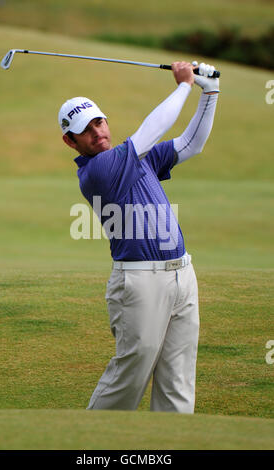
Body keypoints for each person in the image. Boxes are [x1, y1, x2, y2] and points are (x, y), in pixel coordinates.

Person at [58, 61, 219, 412]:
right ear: (71, 141)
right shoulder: (99, 169)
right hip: (139, 281)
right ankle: (89, 446)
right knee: (129, 375)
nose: (97, 132)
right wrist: (184, 86)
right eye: (85, 130)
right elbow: (150, 130)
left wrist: (210, 92)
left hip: (183, 274)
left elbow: (191, 144)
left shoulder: (138, 158)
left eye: (99, 122)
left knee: (178, 380)